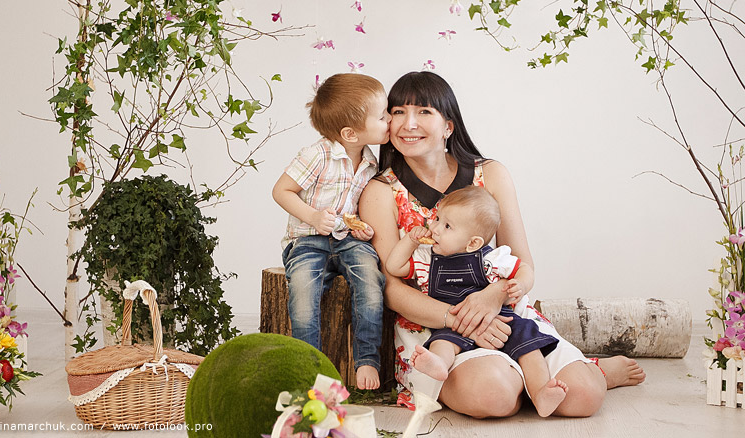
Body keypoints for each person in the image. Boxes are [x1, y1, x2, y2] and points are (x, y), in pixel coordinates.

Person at [359, 70, 645, 417]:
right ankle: (524, 384)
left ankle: (586, 373)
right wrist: (461, 319)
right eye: (398, 112)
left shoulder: (490, 174)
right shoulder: (381, 191)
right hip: (434, 327)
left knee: (583, 397)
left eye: (423, 111)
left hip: (502, 312)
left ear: (448, 125)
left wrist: (494, 296)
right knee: (493, 395)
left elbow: (524, 266)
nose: (408, 123)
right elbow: (391, 288)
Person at [387, 186, 570, 417]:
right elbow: (394, 267)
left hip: (500, 320)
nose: (434, 228)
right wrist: (410, 242)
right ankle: (440, 365)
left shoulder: (491, 259)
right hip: (455, 322)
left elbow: (524, 269)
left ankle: (540, 393)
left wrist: (521, 285)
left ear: (473, 243)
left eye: (447, 226)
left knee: (529, 346)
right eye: (437, 219)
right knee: (441, 341)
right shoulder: (427, 257)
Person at [272, 73, 389, 390]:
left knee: (371, 278)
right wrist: (312, 216)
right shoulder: (317, 155)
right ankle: (310, 369)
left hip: (347, 240)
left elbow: (353, 207)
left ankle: (367, 359)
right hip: (307, 241)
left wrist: (360, 227)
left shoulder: (369, 161)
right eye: (382, 116)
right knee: (303, 294)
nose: (390, 120)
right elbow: (281, 191)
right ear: (350, 133)